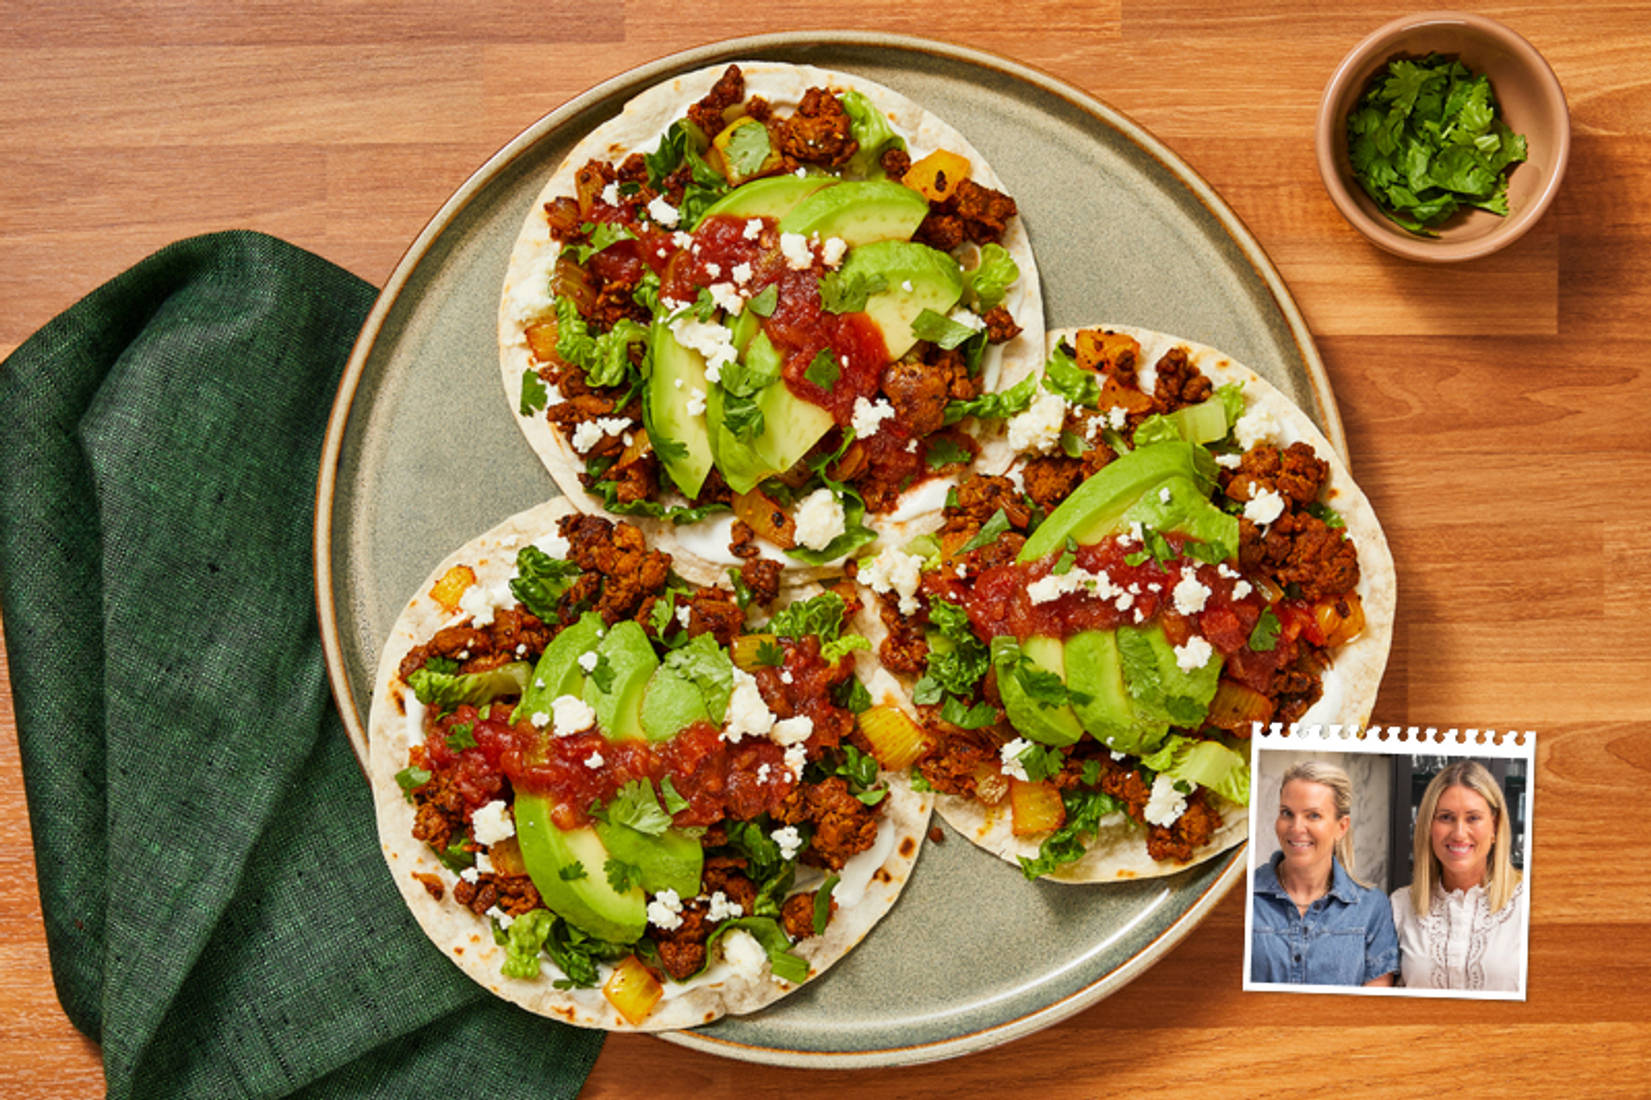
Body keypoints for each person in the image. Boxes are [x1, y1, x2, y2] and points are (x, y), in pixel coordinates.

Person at [1251, 760, 1398, 986]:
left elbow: (1372, 1011)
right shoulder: (1245, 895)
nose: (1296, 827)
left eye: (1313, 816)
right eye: (1287, 813)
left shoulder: (1372, 907)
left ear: (1341, 826)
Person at [1391, 760, 1525, 991]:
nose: (1459, 833)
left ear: (1495, 826)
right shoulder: (1400, 906)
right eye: (1446, 817)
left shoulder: (1529, 903)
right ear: (1428, 827)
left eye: (1473, 818)